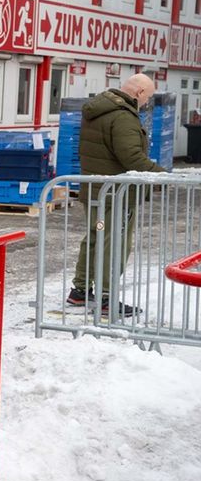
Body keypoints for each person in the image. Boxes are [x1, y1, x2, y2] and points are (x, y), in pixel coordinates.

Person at [69, 73, 165, 317]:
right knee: (115, 243)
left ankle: (80, 290)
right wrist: (161, 176)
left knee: (95, 236)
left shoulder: (99, 109)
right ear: (139, 93)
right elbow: (131, 156)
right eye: (148, 97)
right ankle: (106, 297)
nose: (147, 102)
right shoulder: (123, 116)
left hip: (96, 189)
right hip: (117, 195)